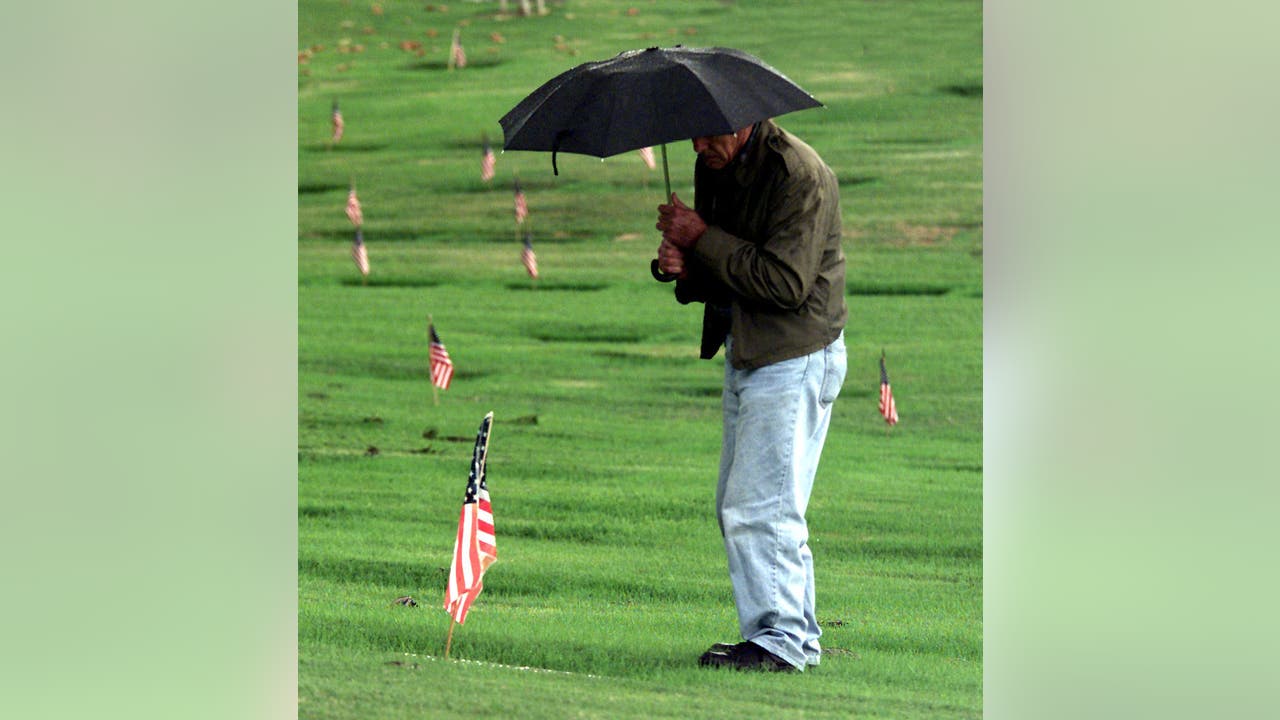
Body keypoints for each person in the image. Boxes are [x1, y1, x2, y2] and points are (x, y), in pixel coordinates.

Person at [654, 119, 847, 672]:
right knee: (742, 505)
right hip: (750, 349)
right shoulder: (715, 165)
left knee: (761, 507)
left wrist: (699, 239)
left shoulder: (799, 175)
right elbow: (725, 270)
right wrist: (682, 268)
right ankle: (793, 637)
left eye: (708, 135)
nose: (697, 146)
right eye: (690, 135)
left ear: (741, 121)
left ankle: (780, 644)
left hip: (794, 355)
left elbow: (785, 282)